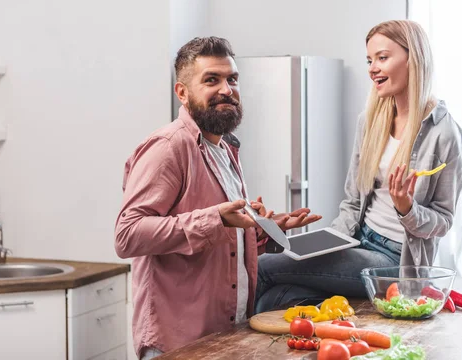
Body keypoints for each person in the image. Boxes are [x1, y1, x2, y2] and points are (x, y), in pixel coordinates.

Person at [114, 37, 320, 359]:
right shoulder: (168, 147)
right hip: (178, 342)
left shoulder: (225, 150)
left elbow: (224, 240)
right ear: (182, 93)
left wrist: (263, 229)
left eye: (232, 79)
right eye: (212, 79)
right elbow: (127, 235)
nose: (227, 89)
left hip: (225, 335)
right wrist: (215, 218)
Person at [254, 20, 462, 313]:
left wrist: (407, 208)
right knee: (274, 298)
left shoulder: (445, 134)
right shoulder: (370, 120)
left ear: (414, 59)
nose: (372, 68)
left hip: (395, 259)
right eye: (370, 60)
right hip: (355, 240)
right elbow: (353, 202)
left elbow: (443, 220)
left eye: (382, 57)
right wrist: (325, 244)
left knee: (265, 266)